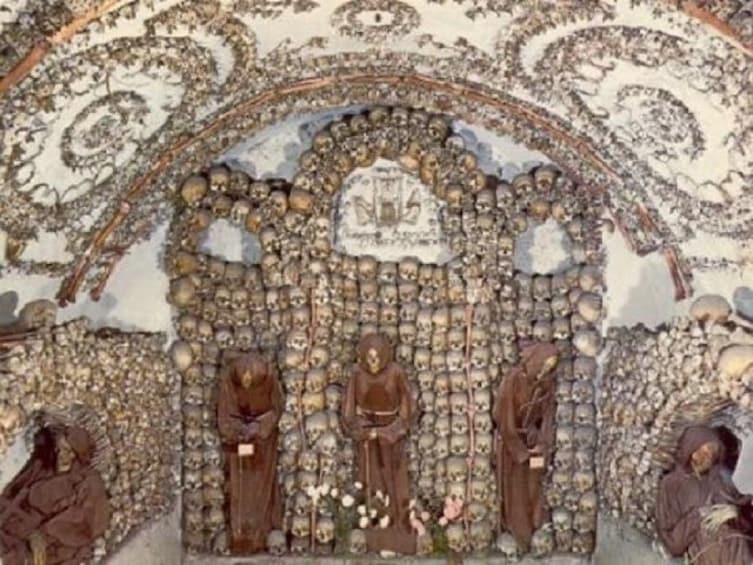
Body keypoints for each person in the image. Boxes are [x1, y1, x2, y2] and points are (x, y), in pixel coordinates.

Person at [341, 333, 417, 554]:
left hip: (391, 435)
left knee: (394, 478)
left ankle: (397, 525)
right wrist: (360, 429)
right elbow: (348, 407)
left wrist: (393, 430)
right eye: (369, 358)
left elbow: (407, 404)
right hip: (367, 434)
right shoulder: (356, 374)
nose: (373, 364)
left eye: (377, 358)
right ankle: (373, 527)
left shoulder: (395, 372)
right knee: (370, 478)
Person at [0, 425, 110, 565]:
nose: (60, 455)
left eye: (67, 450)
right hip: (13, 529)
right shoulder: (43, 468)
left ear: (77, 455)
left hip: (52, 545)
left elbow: (86, 521)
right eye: (59, 449)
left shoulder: (89, 481)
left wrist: (44, 535)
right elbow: (15, 491)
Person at [493, 342, 559, 552]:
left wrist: (542, 443)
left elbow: (547, 417)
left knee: (534, 486)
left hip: (533, 443)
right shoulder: (513, 378)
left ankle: (535, 532)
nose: (546, 369)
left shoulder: (546, 383)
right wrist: (519, 449)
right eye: (545, 364)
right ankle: (518, 536)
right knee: (515, 490)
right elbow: (504, 415)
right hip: (513, 444)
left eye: (551, 366)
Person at [656, 425, 753, 565]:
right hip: (710, 556)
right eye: (704, 449)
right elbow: (672, 543)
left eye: (712, 450)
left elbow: (746, 519)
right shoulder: (671, 484)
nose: (708, 455)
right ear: (690, 448)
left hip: (742, 555)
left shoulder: (719, 480)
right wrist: (700, 514)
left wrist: (736, 512)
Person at [217, 352, 283, 554]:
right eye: (243, 380)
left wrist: (259, 427)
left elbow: (277, 408)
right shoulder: (229, 380)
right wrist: (239, 429)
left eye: (250, 381)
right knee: (240, 490)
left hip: (263, 444)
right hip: (240, 444)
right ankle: (241, 538)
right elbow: (225, 413)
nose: (246, 384)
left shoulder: (269, 377)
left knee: (261, 489)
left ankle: (261, 536)